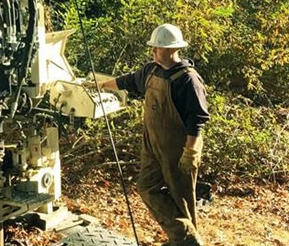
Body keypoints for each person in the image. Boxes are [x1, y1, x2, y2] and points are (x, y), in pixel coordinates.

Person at [90, 23, 210, 245]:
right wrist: (101, 85)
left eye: (157, 48)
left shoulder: (187, 79)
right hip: (152, 144)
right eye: (153, 47)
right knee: (146, 187)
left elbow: (197, 119)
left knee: (181, 198)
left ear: (172, 49)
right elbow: (127, 81)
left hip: (180, 149)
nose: (153, 51)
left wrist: (190, 152)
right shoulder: (151, 70)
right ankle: (184, 237)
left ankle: (184, 240)